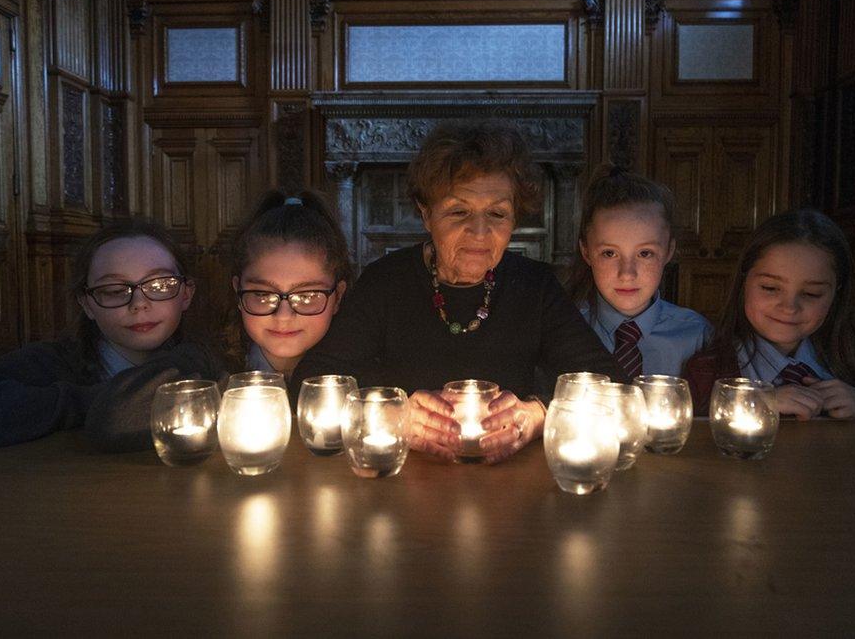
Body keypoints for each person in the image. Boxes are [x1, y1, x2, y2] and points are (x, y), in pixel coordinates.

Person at [292, 120, 622, 463]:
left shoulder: (535, 286)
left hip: (510, 480)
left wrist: (539, 414)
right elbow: (309, 386)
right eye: (458, 211)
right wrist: (393, 412)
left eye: (497, 213)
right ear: (426, 215)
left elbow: (612, 385)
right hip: (402, 474)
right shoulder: (384, 282)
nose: (479, 232)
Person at [0, 219, 222, 450]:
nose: (139, 303)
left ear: (186, 294)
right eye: (114, 290)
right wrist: (105, 400)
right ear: (87, 304)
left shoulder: (204, 363)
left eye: (159, 285)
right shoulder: (53, 362)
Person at [682, 209, 855, 418]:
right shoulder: (705, 371)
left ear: (837, 293)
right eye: (770, 288)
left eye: (811, 293)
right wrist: (757, 404)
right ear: (744, 280)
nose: (789, 307)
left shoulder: (850, 365)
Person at [567, 165, 711, 379]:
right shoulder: (566, 330)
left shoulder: (698, 336)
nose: (627, 274)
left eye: (645, 253)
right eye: (609, 253)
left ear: (669, 251)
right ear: (586, 252)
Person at [222, 189, 352, 380]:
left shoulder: (361, 377)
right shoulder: (213, 372)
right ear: (238, 292)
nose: (283, 316)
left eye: (306, 296)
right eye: (262, 295)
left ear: (338, 297)